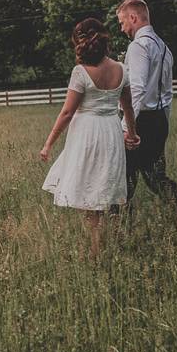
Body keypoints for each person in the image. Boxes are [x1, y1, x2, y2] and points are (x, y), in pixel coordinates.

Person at [40, 18, 140, 259]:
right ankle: (103, 244)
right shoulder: (121, 69)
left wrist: (48, 143)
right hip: (111, 131)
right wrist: (132, 133)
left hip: (87, 134)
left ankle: (96, 250)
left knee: (88, 191)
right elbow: (128, 107)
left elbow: (67, 112)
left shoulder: (80, 72)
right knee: (103, 186)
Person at [114, 0, 177, 220]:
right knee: (156, 177)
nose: (122, 29)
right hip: (158, 119)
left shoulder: (138, 46)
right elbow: (167, 93)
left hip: (139, 121)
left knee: (123, 178)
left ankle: (118, 228)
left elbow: (136, 90)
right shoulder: (163, 47)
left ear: (133, 17)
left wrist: (126, 127)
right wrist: (163, 122)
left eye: (122, 23)